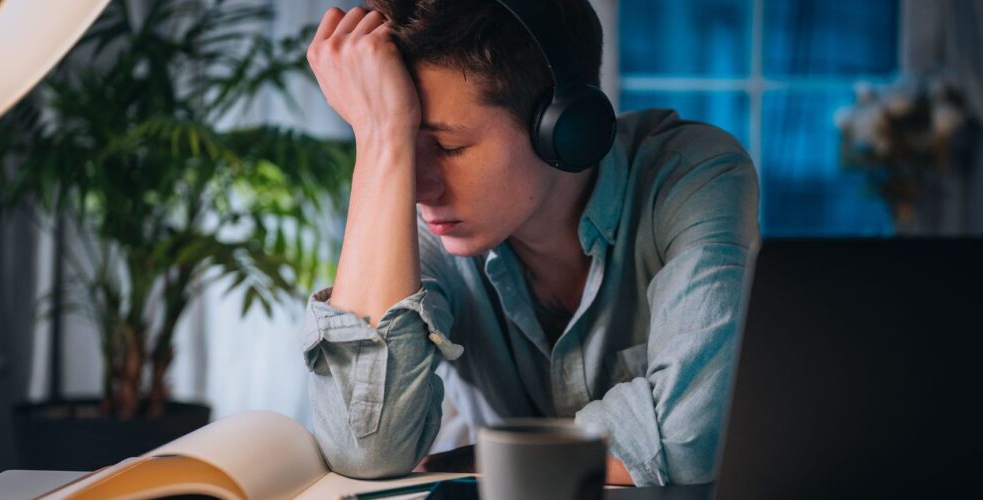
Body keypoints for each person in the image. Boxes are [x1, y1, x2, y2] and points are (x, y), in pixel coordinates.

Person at [299, 0, 759, 486]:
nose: (416, 188)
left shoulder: (694, 174)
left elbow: (693, 436)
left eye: (449, 148)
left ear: (565, 129)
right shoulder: (427, 228)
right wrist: (378, 138)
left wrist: (491, 459)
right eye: (402, 146)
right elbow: (365, 448)